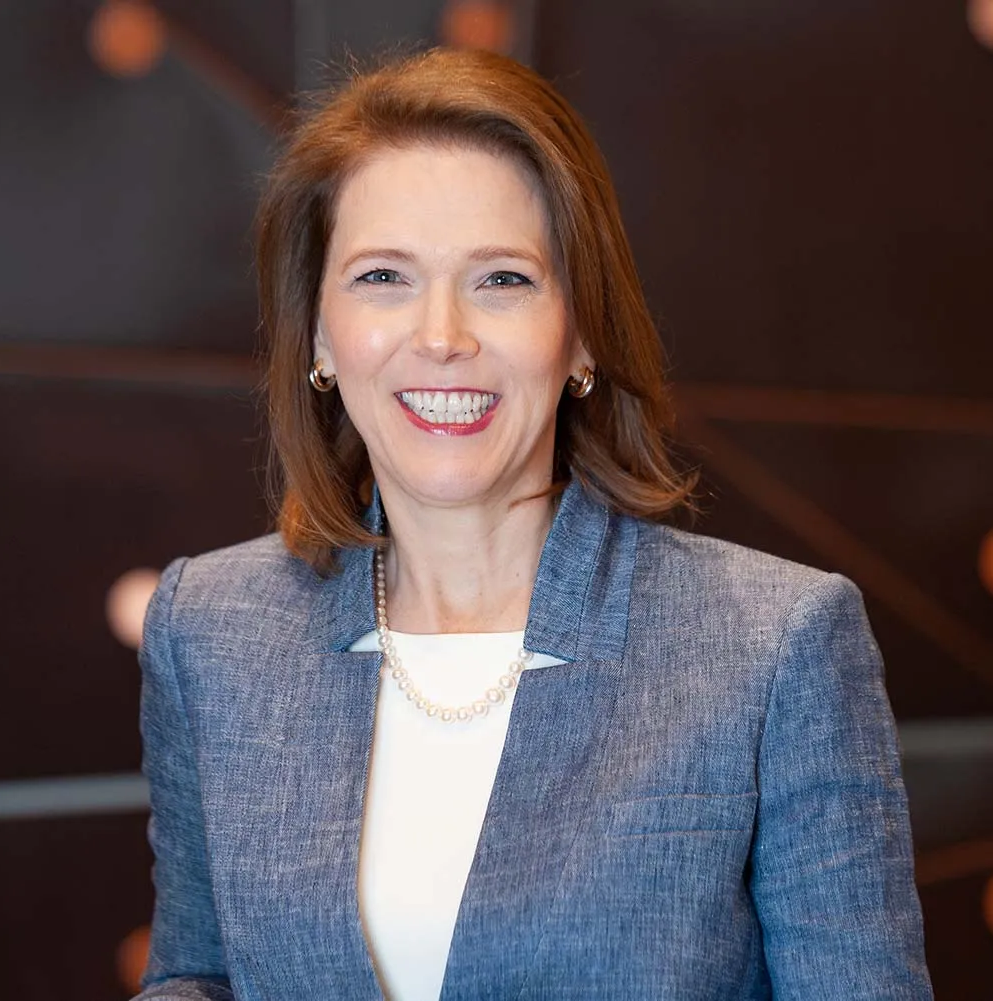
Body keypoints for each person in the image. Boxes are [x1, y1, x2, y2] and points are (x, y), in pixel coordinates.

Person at [135, 47, 932, 1001]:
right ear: (317, 333)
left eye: (501, 279)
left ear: (582, 330)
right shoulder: (211, 627)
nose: (440, 336)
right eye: (383, 276)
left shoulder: (775, 644)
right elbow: (200, 974)